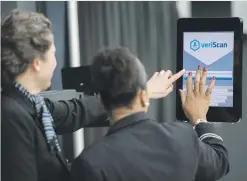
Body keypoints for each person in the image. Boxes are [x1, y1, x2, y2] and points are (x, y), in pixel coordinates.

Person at [1, 10, 184, 181]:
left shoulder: (32, 105)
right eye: (53, 54)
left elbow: (76, 112)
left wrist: (140, 93)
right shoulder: (11, 115)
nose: (56, 63)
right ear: (36, 63)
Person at [70, 47, 230, 181]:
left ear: (100, 101)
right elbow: (220, 162)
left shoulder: (89, 163)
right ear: (142, 95)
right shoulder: (183, 138)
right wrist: (199, 118)